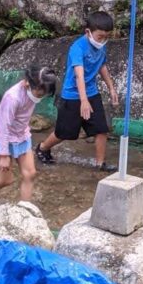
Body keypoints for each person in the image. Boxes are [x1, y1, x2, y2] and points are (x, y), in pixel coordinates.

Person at [35, 11, 119, 172]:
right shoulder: (77, 48)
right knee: (64, 133)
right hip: (72, 95)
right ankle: (43, 147)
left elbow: (102, 66)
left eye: (106, 37)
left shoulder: (101, 46)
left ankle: (100, 163)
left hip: (92, 92)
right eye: (100, 37)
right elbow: (79, 76)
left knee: (102, 129)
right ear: (88, 32)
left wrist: (111, 87)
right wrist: (84, 101)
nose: (103, 40)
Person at [0, 66, 57, 204]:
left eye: (44, 94)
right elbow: (4, 127)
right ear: (28, 83)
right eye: (39, 94)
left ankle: (24, 210)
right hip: (3, 138)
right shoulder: (13, 97)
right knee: (6, 179)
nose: (40, 97)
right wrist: (4, 155)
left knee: (30, 174)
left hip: (21, 136)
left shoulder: (34, 90)